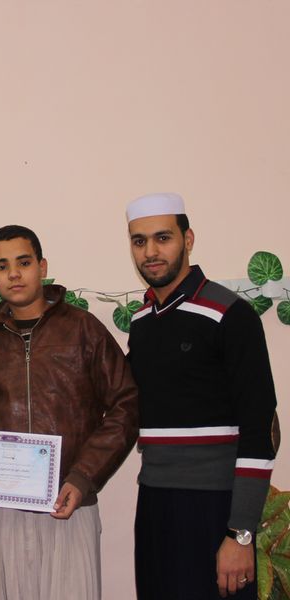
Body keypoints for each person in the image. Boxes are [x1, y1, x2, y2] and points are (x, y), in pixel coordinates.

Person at [0, 224, 138, 600]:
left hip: (66, 504)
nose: (14, 274)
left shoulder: (83, 330)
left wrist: (83, 476)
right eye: (2, 266)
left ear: (42, 267)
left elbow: (127, 403)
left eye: (23, 262)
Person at [125, 193, 279, 599]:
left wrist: (240, 532)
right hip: (154, 503)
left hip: (216, 509)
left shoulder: (231, 314)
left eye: (163, 238)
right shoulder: (141, 322)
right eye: (139, 241)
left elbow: (261, 430)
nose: (150, 251)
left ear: (188, 239)